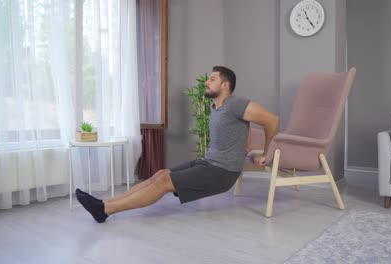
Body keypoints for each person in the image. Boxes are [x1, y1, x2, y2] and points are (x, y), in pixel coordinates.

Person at [76, 66, 279, 223]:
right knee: (161, 174)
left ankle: (104, 211)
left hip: (222, 171)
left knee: (164, 184)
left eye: (212, 79)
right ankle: (104, 204)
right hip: (209, 163)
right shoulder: (217, 107)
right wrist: (247, 146)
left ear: (225, 85)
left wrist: (266, 152)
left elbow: (272, 120)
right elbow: (246, 125)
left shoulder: (236, 103)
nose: (207, 82)